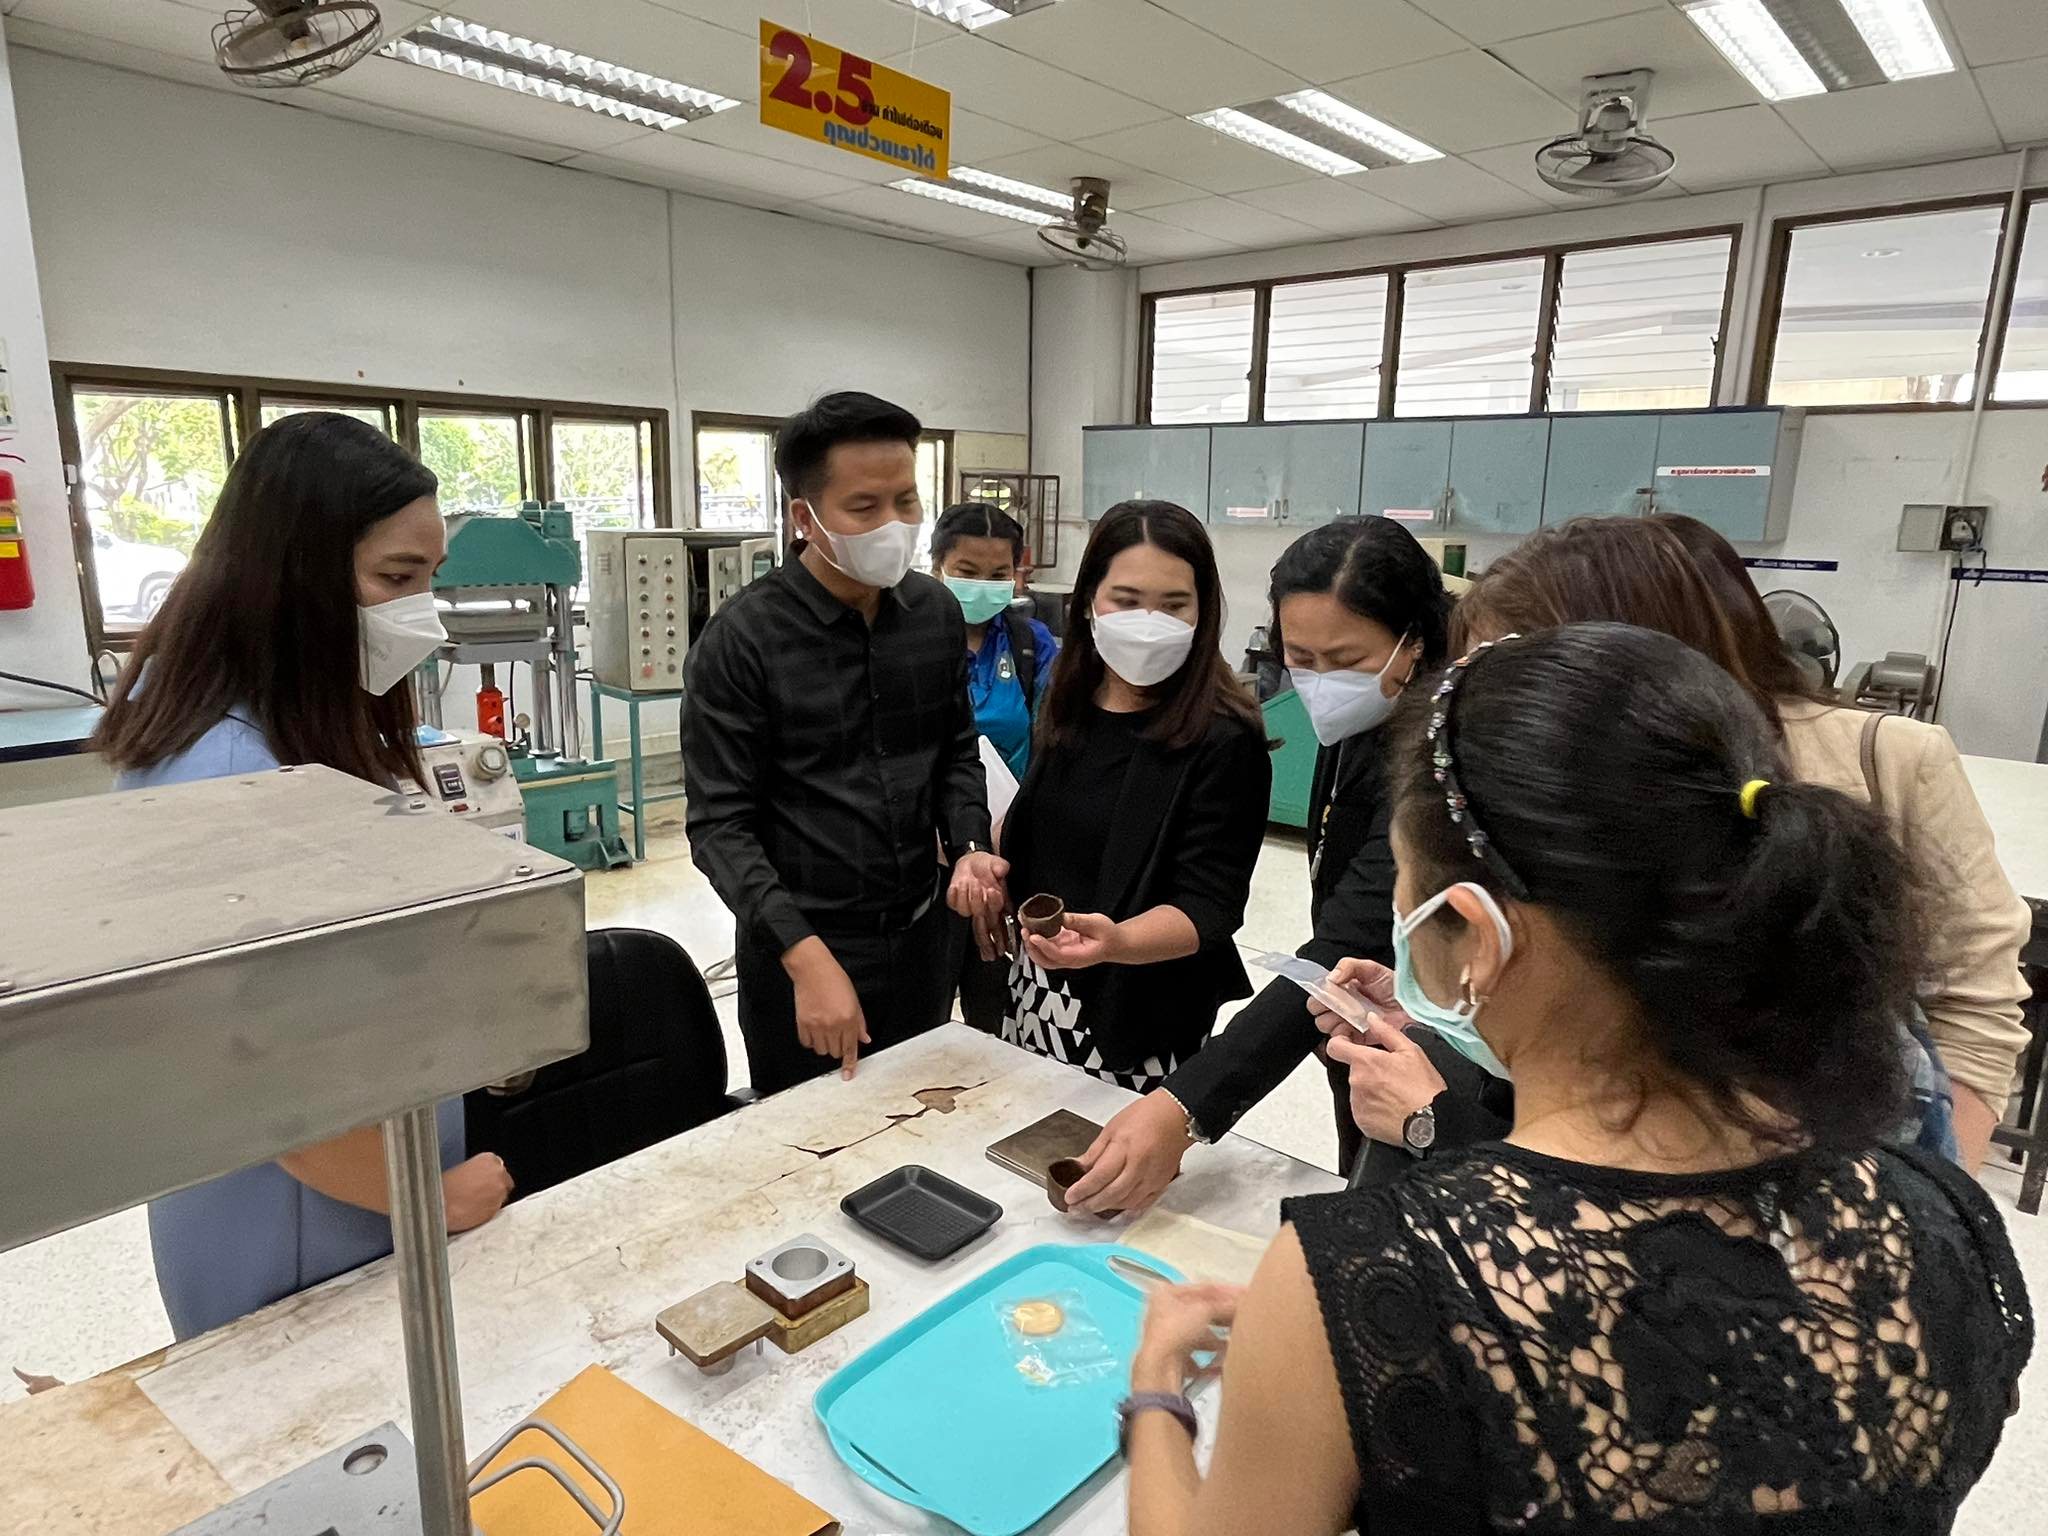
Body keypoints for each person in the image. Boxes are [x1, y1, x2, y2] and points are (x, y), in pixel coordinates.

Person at [1124, 623, 2032, 1536]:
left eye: (1405, 896)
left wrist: (1159, 1391)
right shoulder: (1945, 1220)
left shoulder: (1376, 1275)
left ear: (1478, 935)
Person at [1387, 515, 2028, 1173]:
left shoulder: (1882, 762)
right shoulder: (1559, 798)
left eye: (1525, 669)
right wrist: (1451, 991)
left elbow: (1975, 1009)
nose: (1497, 708)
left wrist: (1932, 1191)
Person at [91, 412, 513, 1341]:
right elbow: (261, 1081)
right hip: (306, 1222)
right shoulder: (227, 779)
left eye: (430, 578)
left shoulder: (285, 725)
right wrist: (430, 1196)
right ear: (289, 577)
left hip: (364, 1176)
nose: (421, 611)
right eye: (396, 579)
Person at [1062, 517, 1473, 1215]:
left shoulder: (1440, 755)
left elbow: (1350, 932)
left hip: (1441, 1064)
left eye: (1345, 659)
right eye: (1300, 656)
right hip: (1359, 1028)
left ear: (1415, 642)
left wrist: (1184, 1107)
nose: (1319, 682)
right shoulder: (1363, 721)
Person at [680, 392, 1004, 1094]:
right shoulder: (742, 642)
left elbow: (955, 750)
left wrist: (971, 847)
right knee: (812, 1140)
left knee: (920, 1113)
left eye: (906, 501)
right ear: (806, 517)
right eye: (865, 507)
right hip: (805, 953)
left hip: (923, 938)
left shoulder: (934, 614)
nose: (894, 524)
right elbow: (719, 826)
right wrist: (805, 958)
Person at [992, 500, 1270, 1120]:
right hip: (1040, 985)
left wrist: (1116, 942)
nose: (1149, 623)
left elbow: (1210, 905)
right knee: (1023, 1143)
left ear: (1203, 612)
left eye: (1173, 605)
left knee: (1107, 1160)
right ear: (1090, 600)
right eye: (1126, 600)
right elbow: (1052, 827)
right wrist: (989, 857)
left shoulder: (1223, 737)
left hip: (1137, 1005)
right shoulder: (1069, 701)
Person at [931, 500, 1059, 1032]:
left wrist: (1012, 833)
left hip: (1008, 848)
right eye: (967, 571)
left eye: (997, 574)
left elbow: (1056, 742)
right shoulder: (907, 643)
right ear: (937, 566)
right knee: (923, 1004)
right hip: (928, 854)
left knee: (995, 998)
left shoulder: (1031, 645)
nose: (982, 586)